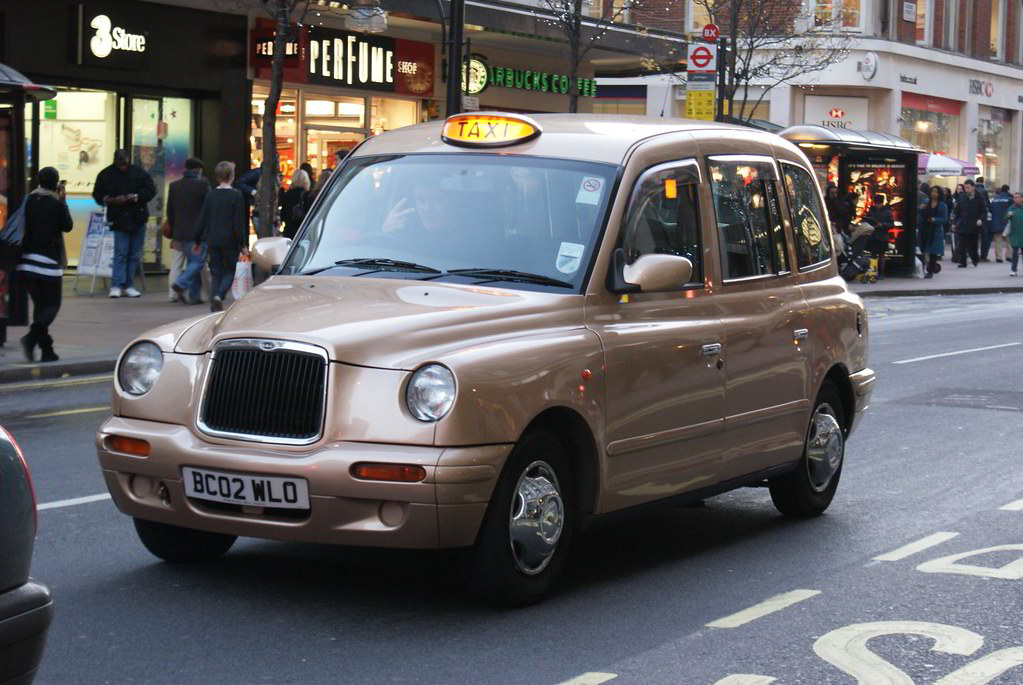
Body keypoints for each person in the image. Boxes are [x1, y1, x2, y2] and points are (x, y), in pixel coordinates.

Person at [15, 168, 73, 362]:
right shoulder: (56, 204)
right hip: (47, 262)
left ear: (39, 181)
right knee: (53, 306)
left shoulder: (29, 200)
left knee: (41, 307)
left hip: (26, 262)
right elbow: (68, 226)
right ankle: (31, 339)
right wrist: (63, 201)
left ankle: (47, 350)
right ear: (56, 183)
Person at [92, 149, 156, 298]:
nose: (123, 166)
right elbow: (97, 194)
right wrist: (111, 199)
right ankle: (117, 284)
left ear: (129, 160)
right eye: (120, 163)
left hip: (137, 216)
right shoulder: (106, 174)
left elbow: (151, 190)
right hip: (119, 217)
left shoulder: (139, 172)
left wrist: (136, 197)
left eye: (125, 163)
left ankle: (128, 284)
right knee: (121, 253)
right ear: (115, 161)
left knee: (134, 254)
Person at [195, 161, 248, 312]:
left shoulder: (211, 194)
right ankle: (220, 294)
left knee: (216, 272)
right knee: (231, 269)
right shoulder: (236, 195)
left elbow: (203, 217)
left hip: (213, 239)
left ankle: (214, 304)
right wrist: (242, 244)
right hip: (230, 239)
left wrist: (197, 239)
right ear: (231, 176)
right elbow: (238, 222)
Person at [167, 157, 210, 305]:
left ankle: (194, 295)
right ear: (198, 170)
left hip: (180, 232)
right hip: (198, 233)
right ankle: (181, 283)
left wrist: (173, 232)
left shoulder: (174, 186)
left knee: (189, 262)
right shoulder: (203, 186)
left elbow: (170, 213)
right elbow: (208, 210)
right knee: (197, 262)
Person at [954, 179, 988, 267]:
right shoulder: (962, 197)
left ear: (973, 187)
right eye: (965, 188)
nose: (966, 189)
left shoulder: (979, 197)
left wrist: (981, 219)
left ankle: (974, 258)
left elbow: (984, 210)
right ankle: (963, 262)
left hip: (974, 224)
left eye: (968, 187)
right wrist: (955, 222)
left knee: (973, 244)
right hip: (963, 224)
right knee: (961, 244)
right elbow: (957, 211)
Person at [919, 186, 947, 279]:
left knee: (933, 252)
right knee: (923, 249)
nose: (934, 194)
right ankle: (923, 268)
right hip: (925, 228)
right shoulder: (926, 202)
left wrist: (935, 219)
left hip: (935, 230)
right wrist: (921, 208)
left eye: (936, 192)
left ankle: (930, 271)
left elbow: (944, 219)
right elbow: (920, 213)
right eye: (932, 192)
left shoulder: (942, 205)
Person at [280, 169, 310, 240]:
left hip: (289, 231)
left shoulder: (287, 194)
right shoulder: (307, 195)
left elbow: (283, 215)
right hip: (302, 231)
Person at [987, 184, 1012, 263]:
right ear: (1008, 190)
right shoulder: (1010, 199)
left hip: (996, 222)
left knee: (998, 241)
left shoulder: (994, 200)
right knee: (1009, 241)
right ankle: (1009, 256)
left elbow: (990, 209)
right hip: (1007, 222)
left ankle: (999, 257)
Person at [1005, 192, 1023, 276]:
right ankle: (1013, 270)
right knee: (1015, 253)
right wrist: (1008, 216)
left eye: (1017, 197)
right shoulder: (1011, 208)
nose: (1015, 199)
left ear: (1021, 198)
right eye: (1014, 197)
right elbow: (1005, 218)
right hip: (1015, 233)